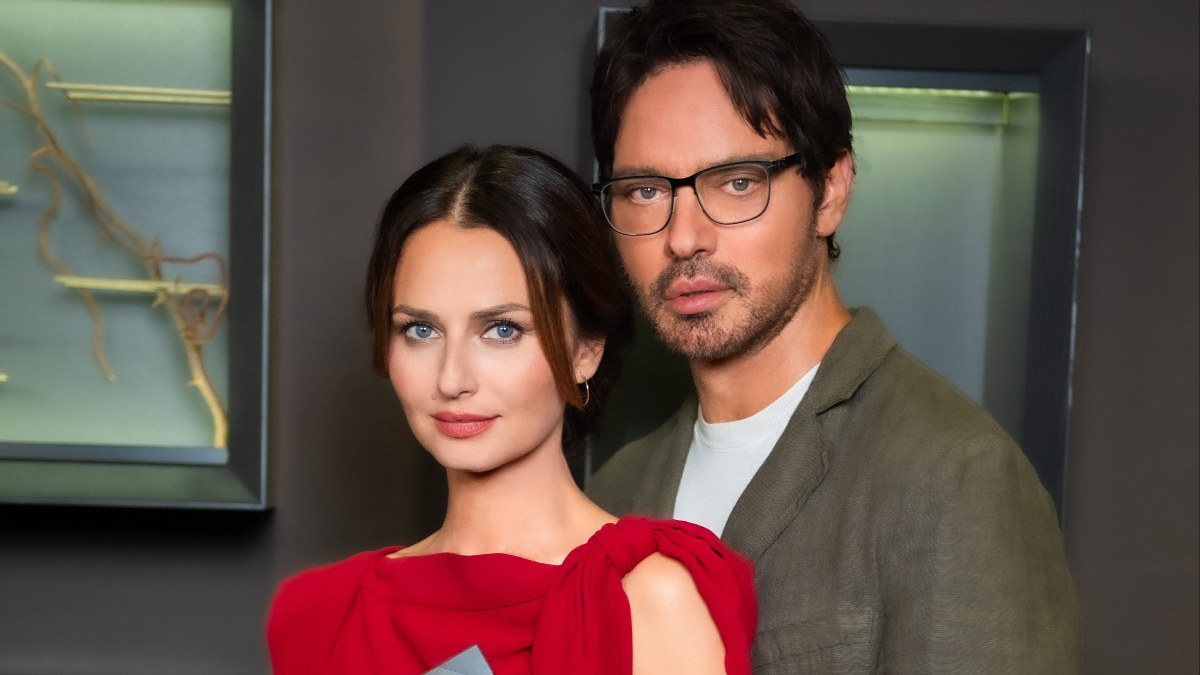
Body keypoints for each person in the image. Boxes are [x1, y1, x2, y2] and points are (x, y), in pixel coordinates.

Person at [584, 1, 1082, 672]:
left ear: (831, 190)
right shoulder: (614, 493)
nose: (683, 237)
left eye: (737, 182)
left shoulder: (954, 476)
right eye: (645, 191)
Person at [267, 144, 756, 675]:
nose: (452, 380)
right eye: (420, 330)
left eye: (502, 330)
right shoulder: (320, 616)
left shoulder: (647, 597)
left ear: (586, 350)